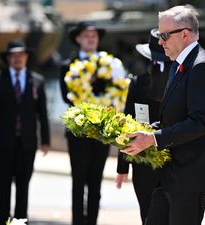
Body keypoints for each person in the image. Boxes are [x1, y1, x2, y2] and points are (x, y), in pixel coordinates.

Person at [121, 5, 205, 225]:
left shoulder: (202, 67)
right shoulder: (179, 64)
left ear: (184, 34)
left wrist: (153, 139)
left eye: (164, 35)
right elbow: (175, 116)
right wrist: (148, 130)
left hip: (193, 174)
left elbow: (199, 123)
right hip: (173, 172)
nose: (160, 41)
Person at [59, 21, 126, 225]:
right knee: (78, 181)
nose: (91, 38)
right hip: (77, 131)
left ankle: (92, 221)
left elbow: (118, 92)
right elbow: (66, 96)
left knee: (96, 181)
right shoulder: (68, 65)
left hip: (101, 131)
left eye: (94, 35)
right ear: (78, 38)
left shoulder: (111, 65)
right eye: (86, 35)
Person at [115, 29, 171, 225]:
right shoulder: (138, 84)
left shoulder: (180, 82)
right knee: (148, 215)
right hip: (144, 162)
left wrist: (123, 167)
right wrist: (122, 166)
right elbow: (126, 124)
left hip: (171, 161)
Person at [0, 40, 50, 225]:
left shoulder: (38, 81)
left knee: (23, 185)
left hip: (27, 142)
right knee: (3, 185)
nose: (17, 58)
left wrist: (46, 140)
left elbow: (43, 113)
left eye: (21, 55)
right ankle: (2, 220)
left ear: (26, 57)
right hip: (3, 142)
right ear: (8, 58)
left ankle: (20, 221)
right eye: (14, 55)